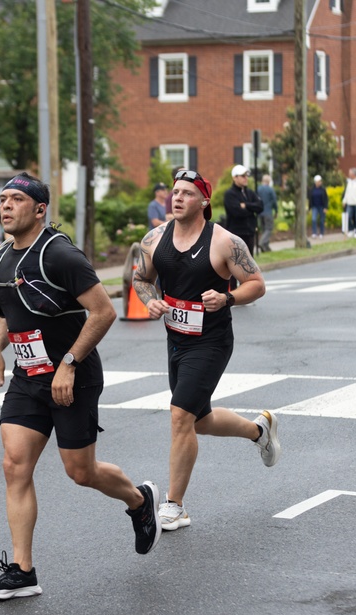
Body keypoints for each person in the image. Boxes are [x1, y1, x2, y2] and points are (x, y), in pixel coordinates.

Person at [0, 172, 160, 600]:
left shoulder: (60, 255)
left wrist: (69, 363)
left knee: (81, 472)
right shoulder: (0, 257)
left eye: (16, 199)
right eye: (2, 199)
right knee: (14, 465)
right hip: (28, 378)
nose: (5, 206)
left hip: (71, 376)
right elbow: (7, 309)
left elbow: (103, 312)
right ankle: (23, 571)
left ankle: (138, 500)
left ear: (39, 209)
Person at [132, 168, 281, 532]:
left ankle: (175, 505)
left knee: (180, 416)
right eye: (175, 192)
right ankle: (259, 431)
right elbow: (140, 278)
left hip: (211, 341)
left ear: (204, 201)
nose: (177, 198)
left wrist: (227, 297)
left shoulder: (225, 242)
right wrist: (150, 301)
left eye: (186, 193)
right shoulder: (154, 239)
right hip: (177, 339)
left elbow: (257, 284)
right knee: (199, 420)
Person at [223, 164, 264, 255]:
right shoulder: (230, 194)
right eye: (242, 176)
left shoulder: (249, 193)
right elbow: (237, 212)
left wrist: (246, 205)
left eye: (246, 176)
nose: (246, 178)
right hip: (236, 234)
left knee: (250, 262)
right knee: (238, 262)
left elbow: (260, 206)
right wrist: (252, 209)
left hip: (249, 233)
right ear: (234, 177)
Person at [256, 174, 278, 252]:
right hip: (268, 211)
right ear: (269, 181)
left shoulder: (258, 189)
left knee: (263, 229)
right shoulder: (270, 190)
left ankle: (266, 247)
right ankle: (262, 242)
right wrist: (276, 211)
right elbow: (274, 201)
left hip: (260, 212)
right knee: (269, 228)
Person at [309, 175, 328, 239]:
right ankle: (314, 233)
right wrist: (309, 207)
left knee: (322, 220)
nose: (319, 183)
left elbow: (326, 199)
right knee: (314, 219)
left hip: (321, 206)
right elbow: (310, 198)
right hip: (315, 206)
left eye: (319, 181)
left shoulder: (323, 189)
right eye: (317, 182)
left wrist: (325, 207)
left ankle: (321, 233)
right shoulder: (312, 189)